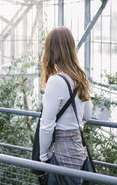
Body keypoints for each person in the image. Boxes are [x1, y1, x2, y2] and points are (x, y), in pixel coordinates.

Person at [39, 26, 92, 170]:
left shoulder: (55, 81)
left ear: (50, 50)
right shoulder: (80, 77)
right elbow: (87, 114)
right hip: (80, 151)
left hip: (62, 154)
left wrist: (43, 156)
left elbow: (47, 125)